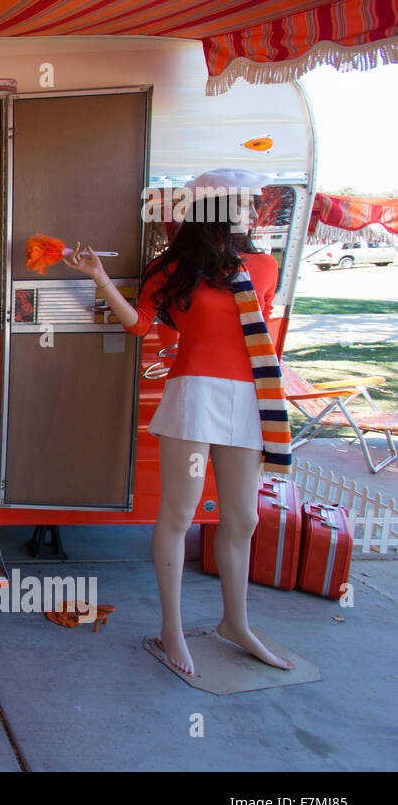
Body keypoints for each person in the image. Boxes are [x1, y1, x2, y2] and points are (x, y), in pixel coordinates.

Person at [62, 168, 293, 678]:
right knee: (178, 514)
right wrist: (99, 278)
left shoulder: (263, 266)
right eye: (242, 202)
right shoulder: (169, 268)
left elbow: (257, 340)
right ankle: (172, 628)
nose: (251, 211)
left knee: (243, 518)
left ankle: (236, 623)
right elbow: (143, 325)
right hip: (194, 396)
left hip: (249, 399)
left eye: (254, 203)